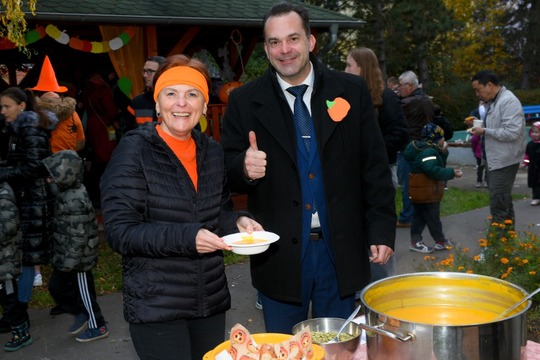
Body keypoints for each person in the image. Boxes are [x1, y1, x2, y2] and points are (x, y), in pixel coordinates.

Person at [220, 2, 396, 334]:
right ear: (267, 48)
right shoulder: (245, 101)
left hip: (341, 252)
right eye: (274, 42)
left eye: (293, 39)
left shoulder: (352, 91)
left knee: (339, 348)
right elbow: (226, 172)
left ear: (310, 41)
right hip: (280, 258)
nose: (284, 50)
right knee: (283, 348)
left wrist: (382, 230)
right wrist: (243, 166)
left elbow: (374, 167)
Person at [100, 54, 262, 360]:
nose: (181, 103)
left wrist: (238, 222)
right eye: (171, 94)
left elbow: (219, 212)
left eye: (192, 94)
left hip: (209, 300)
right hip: (157, 305)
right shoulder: (134, 150)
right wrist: (187, 238)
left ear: (203, 105)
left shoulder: (212, 151)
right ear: (158, 104)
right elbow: (120, 232)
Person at [344, 47, 408, 282]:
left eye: (349, 65)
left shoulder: (386, 98)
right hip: (352, 177)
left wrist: (374, 149)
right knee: (357, 232)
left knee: (379, 233)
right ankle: (361, 285)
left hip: (380, 176)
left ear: (362, 67)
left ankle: (384, 286)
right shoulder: (347, 97)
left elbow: (401, 134)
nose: (346, 70)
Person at [0, 87, 57, 345]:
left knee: (24, 259)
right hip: (21, 200)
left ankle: (20, 313)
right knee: (21, 258)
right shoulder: (15, 128)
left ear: (22, 106)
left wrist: (4, 173)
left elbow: (35, 165)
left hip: (31, 202)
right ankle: (18, 312)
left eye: (6, 106)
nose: (2, 111)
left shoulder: (30, 127)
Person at [42, 150, 109, 342]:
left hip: (79, 259)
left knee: (85, 293)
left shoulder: (74, 199)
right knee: (57, 286)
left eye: (53, 175)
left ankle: (98, 325)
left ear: (65, 174)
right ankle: (81, 313)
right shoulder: (66, 193)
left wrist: (70, 262)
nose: (49, 179)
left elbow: (78, 235)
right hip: (67, 256)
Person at [470, 70, 526, 224]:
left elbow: (512, 132)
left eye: (478, 89)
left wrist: (484, 131)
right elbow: (498, 125)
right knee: (503, 201)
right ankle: (507, 242)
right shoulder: (494, 101)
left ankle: (497, 243)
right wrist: (479, 124)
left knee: (499, 203)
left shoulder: (509, 101)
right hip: (496, 159)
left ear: (489, 85)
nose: (477, 94)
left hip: (504, 160)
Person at [404, 123, 462, 253]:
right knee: (432, 217)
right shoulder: (429, 151)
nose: (444, 140)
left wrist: (443, 152)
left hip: (419, 189)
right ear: (436, 139)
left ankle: (416, 241)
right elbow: (433, 170)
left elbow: (437, 162)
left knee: (420, 217)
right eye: (442, 137)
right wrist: (452, 173)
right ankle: (439, 241)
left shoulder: (423, 148)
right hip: (428, 190)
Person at [396, 70, 436, 228]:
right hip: (425, 146)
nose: (399, 89)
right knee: (421, 183)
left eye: (401, 85)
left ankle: (407, 217)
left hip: (410, 148)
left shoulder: (407, 103)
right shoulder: (427, 100)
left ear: (410, 85)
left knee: (408, 184)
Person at [0, 181, 32, 352]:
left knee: (9, 300)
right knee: (5, 298)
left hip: (6, 261)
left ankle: (21, 333)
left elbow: (9, 226)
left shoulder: (3, 194)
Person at [81, 72, 118, 209]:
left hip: (92, 126)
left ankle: (95, 194)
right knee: (107, 160)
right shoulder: (103, 89)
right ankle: (105, 195)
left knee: (98, 160)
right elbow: (111, 110)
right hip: (104, 127)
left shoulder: (87, 89)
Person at [128, 55, 166, 126]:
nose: (145, 75)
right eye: (144, 71)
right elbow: (127, 132)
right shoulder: (137, 102)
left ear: (162, 73)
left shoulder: (175, 102)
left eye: (150, 71)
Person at [521, 121, 540, 206]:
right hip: (533, 168)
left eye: (537, 132)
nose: (534, 134)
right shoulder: (530, 144)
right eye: (533, 132)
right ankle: (536, 197)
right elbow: (527, 156)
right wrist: (525, 163)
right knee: (534, 183)